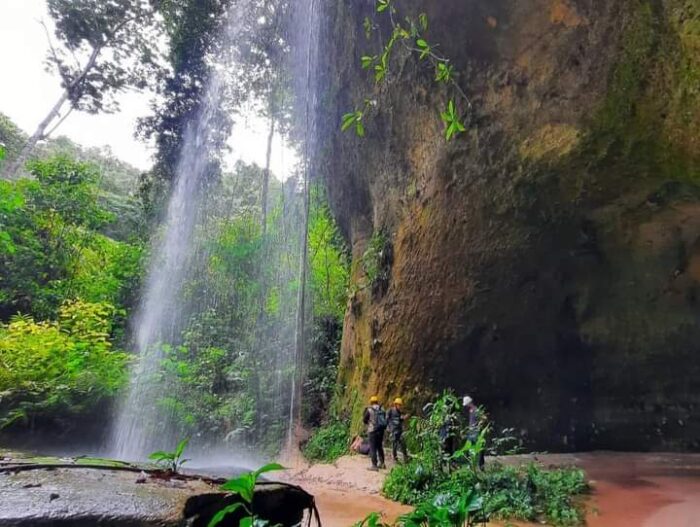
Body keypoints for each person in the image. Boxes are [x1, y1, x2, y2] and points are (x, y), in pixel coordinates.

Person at [363, 395, 387, 470]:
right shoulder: (382, 409)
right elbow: (384, 418)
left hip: (372, 431)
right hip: (381, 431)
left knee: (373, 447)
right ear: (377, 402)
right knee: (380, 447)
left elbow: (364, 420)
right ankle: (382, 463)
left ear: (371, 402)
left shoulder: (369, 410)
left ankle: (374, 465)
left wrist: (369, 422)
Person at [463, 395, 485, 470]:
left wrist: (478, 426)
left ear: (469, 403)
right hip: (471, 432)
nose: (466, 406)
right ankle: (471, 465)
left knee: (480, 448)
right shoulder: (471, 411)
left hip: (476, 432)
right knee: (470, 449)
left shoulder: (476, 410)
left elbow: (483, 418)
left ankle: (481, 466)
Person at [387, 397, 409, 464]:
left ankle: (405, 457)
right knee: (394, 444)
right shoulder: (391, 411)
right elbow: (387, 419)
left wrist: (404, 418)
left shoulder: (399, 412)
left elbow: (400, 420)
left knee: (403, 443)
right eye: (398, 405)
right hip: (394, 430)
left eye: (400, 405)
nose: (399, 406)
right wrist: (388, 427)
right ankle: (395, 457)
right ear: (395, 404)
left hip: (399, 430)